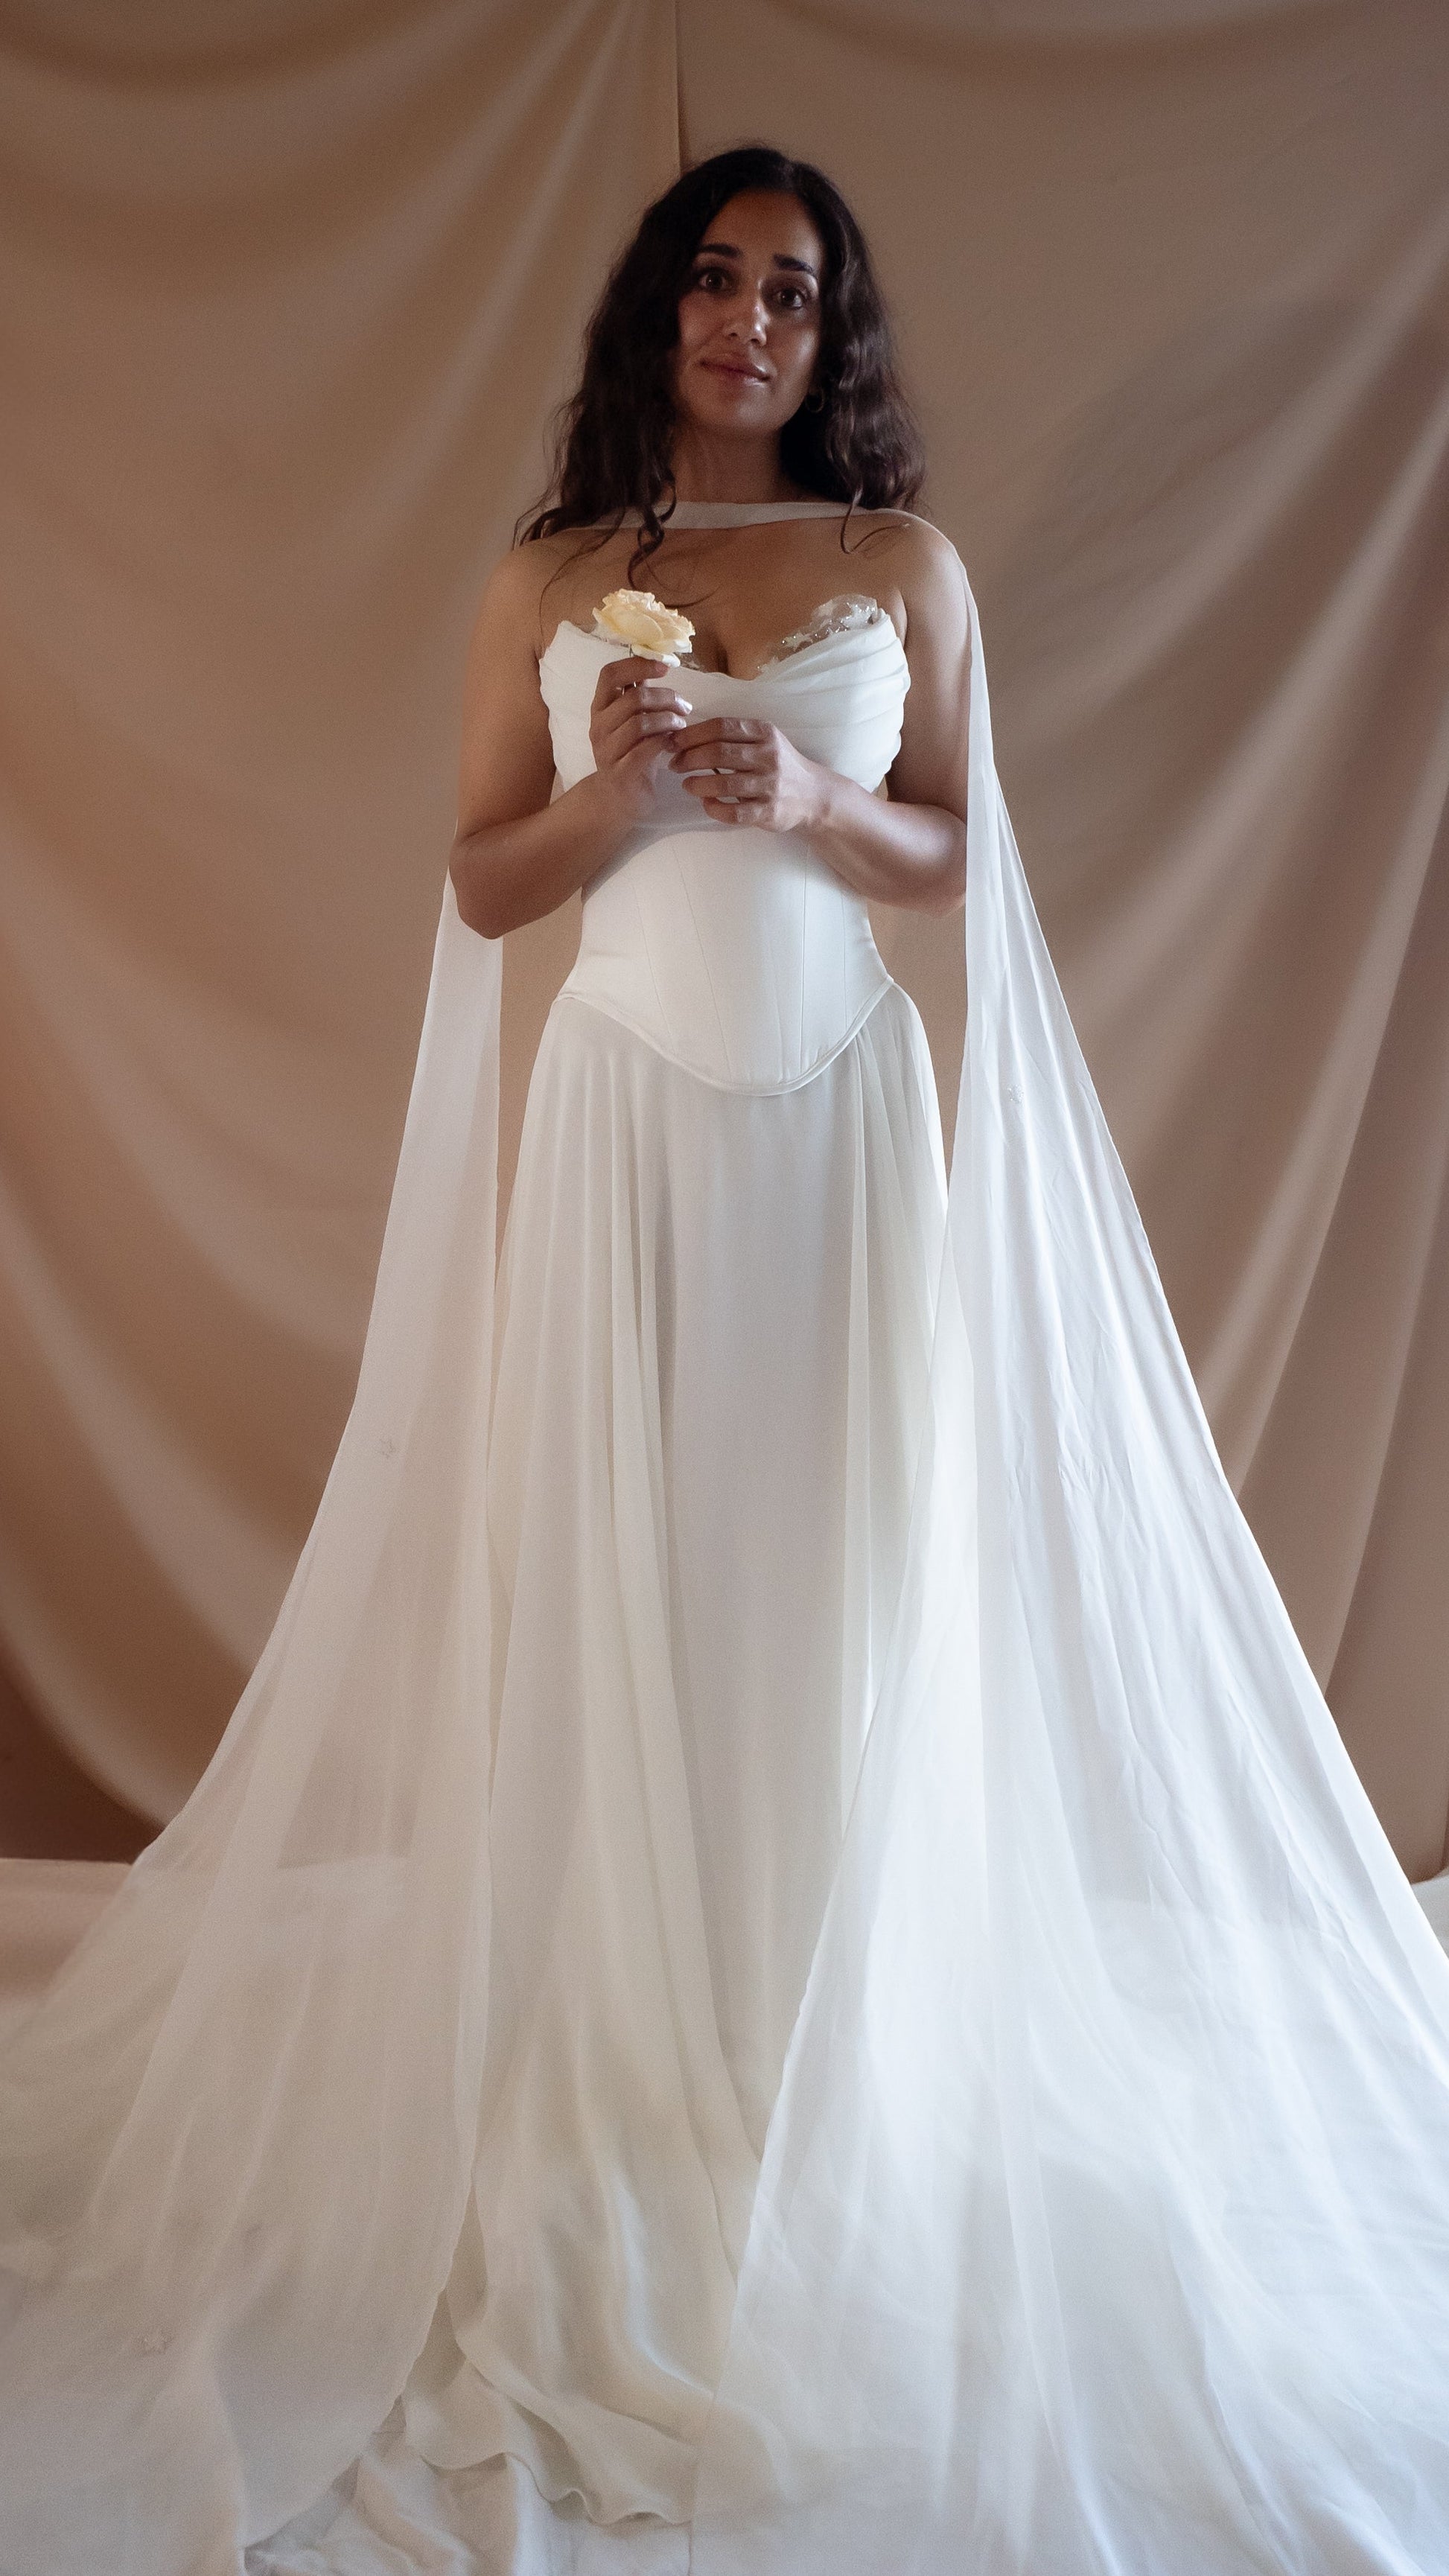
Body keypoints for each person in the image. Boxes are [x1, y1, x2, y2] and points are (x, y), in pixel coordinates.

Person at [5, 144, 1449, 2576]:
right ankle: (618, 2080)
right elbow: (476, 876)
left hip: (839, 1142)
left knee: (835, 1600)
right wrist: (611, 792)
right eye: (713, 276)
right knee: (625, 1606)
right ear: (657, 311)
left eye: (790, 288)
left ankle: (819, 2067)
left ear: (831, 331)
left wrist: (807, 792)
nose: (747, 318)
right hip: (626, 1140)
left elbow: (961, 853)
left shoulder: (903, 571)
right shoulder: (557, 579)